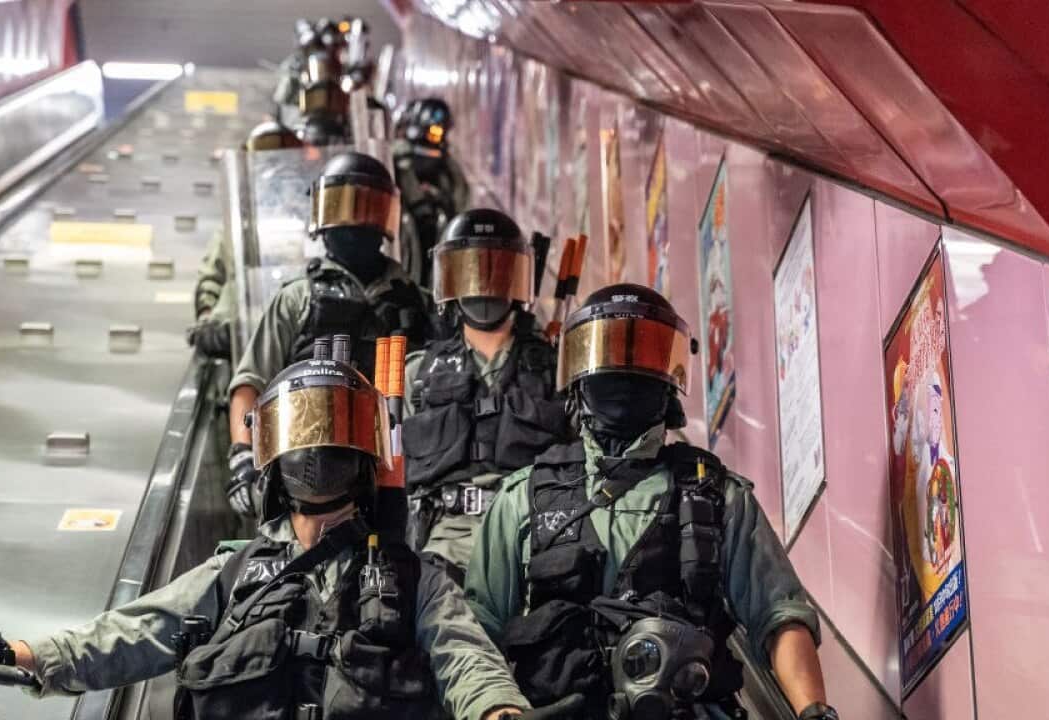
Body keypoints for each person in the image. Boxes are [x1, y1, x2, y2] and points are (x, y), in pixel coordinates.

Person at [0, 345, 530, 720]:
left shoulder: (410, 575)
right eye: (300, 432)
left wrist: (499, 709)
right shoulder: (236, 573)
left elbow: (464, 656)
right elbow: (129, 633)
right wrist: (11, 656)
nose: (315, 452)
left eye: (330, 432)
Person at [465, 284, 839, 720]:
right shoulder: (521, 499)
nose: (624, 371)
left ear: (671, 377)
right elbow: (478, 633)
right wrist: (495, 710)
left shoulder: (718, 497)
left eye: (643, 352)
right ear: (577, 371)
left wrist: (814, 712)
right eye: (606, 350)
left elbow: (780, 616)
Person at [226, 151, 439, 520]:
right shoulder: (297, 299)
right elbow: (250, 384)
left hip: (400, 476)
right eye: (342, 205)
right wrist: (244, 459)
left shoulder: (418, 303)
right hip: (308, 480)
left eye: (367, 208)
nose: (354, 221)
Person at [403, 208, 568, 582]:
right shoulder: (417, 375)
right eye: (469, 270)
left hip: (539, 536)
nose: (483, 285)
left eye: (497, 270)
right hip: (446, 542)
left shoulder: (558, 369)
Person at [186, 121, 306, 361]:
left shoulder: (312, 222)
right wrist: (207, 316)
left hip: (299, 327)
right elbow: (212, 276)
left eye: (284, 161)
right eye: (266, 160)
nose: (276, 170)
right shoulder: (237, 229)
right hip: (241, 332)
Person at [392, 98, 469, 287]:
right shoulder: (397, 159)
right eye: (435, 131)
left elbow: (460, 198)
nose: (439, 137)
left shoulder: (448, 168)